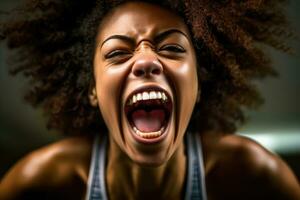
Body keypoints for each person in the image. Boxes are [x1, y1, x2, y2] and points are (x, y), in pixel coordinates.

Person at [0, 0, 299, 199]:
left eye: (171, 48)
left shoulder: (253, 176)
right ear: (92, 88)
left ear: (198, 86)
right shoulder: (40, 183)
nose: (146, 60)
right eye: (117, 52)